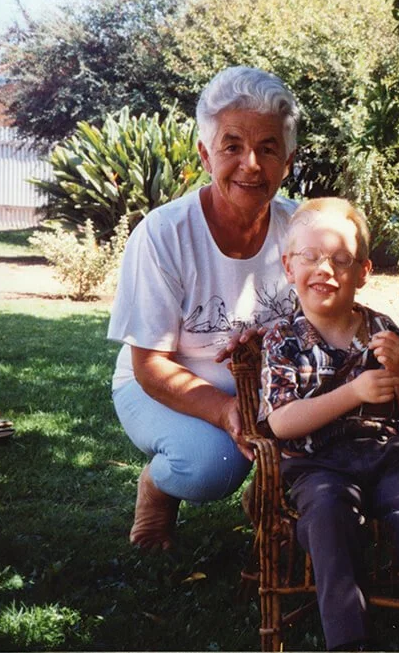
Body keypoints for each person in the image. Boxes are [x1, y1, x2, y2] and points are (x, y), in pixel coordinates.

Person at [107, 66, 301, 551]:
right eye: (232, 145)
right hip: (161, 387)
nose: (251, 164)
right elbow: (150, 366)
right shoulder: (163, 233)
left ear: (289, 161)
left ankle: (270, 505)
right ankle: (157, 488)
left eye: (268, 148)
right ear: (205, 154)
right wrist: (227, 410)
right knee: (210, 466)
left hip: (272, 392)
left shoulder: (302, 229)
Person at [258, 198, 399, 651]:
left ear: (364, 271)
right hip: (316, 464)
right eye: (309, 257)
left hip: (388, 456)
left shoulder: (384, 330)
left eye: (340, 259)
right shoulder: (282, 339)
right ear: (289, 267)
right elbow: (282, 422)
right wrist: (352, 393)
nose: (323, 269)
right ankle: (350, 641)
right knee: (327, 516)